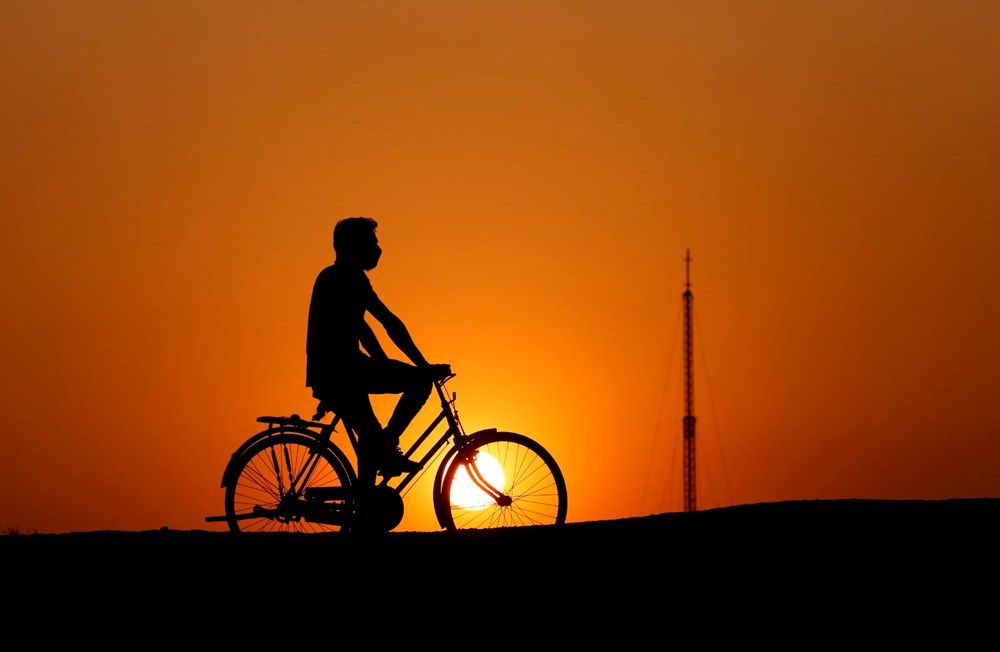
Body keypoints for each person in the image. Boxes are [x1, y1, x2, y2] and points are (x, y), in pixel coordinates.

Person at [306, 216, 451, 479]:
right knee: (420, 383)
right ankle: (387, 447)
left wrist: (383, 362)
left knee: (370, 439)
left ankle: (367, 500)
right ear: (354, 247)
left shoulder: (341, 277)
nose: (378, 249)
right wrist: (423, 366)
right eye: (372, 243)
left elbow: (362, 329)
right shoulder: (346, 278)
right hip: (343, 371)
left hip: (336, 372)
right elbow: (389, 322)